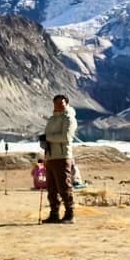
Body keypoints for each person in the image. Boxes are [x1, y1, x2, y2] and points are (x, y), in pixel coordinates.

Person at [40, 94, 78, 224]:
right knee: (51, 188)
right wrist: (44, 142)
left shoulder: (69, 119)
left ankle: (70, 214)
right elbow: (48, 135)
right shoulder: (51, 119)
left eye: (61, 103)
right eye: (56, 103)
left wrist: (48, 138)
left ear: (66, 104)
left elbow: (66, 137)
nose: (58, 106)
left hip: (62, 156)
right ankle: (54, 213)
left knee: (64, 187)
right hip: (51, 157)